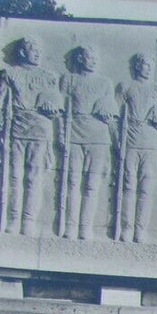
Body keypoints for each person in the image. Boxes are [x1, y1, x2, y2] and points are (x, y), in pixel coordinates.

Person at [0, 36, 62, 236]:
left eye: (40, 51)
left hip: (40, 130)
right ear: (23, 52)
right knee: (15, 177)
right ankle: (13, 218)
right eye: (34, 51)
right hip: (16, 129)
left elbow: (56, 107)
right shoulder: (10, 73)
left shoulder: (49, 77)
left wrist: (52, 109)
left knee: (34, 178)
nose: (38, 54)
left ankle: (28, 220)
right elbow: (0, 104)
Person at [58, 45, 116, 240]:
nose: (93, 60)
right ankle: (71, 226)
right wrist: (61, 134)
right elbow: (61, 110)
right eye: (88, 57)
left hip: (98, 135)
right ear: (80, 59)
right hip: (74, 132)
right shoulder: (68, 79)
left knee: (91, 184)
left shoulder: (105, 83)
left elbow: (111, 113)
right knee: (73, 182)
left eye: (95, 57)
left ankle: (85, 227)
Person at [115, 53, 157, 244]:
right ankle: (126, 227)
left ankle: (140, 229)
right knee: (129, 186)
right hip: (131, 140)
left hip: (152, 142)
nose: (147, 68)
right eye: (144, 65)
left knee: (146, 188)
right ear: (137, 66)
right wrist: (118, 143)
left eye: (150, 65)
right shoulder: (126, 87)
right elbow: (116, 116)